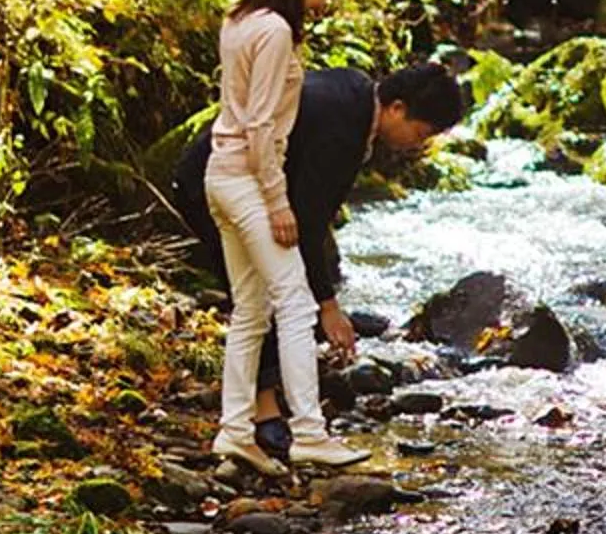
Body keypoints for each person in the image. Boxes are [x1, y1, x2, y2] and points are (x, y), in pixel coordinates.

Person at [173, 54, 466, 464]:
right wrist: (328, 306)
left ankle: (248, 418)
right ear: (397, 108)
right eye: (421, 132)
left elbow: (312, 214)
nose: (419, 143)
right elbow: (307, 222)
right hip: (215, 182)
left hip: (233, 179)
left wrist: (328, 295)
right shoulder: (342, 130)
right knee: (272, 293)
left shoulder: (356, 91)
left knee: (265, 295)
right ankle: (268, 414)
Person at [198, 0, 375, 475]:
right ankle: (310, 433)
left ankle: (234, 432)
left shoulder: (239, 19)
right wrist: (277, 201)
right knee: (295, 305)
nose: (324, 1)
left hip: (219, 174)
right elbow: (259, 123)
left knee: (251, 310)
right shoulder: (274, 30)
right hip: (249, 180)